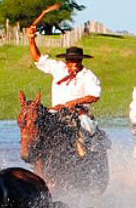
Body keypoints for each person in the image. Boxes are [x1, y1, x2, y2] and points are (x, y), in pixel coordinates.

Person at [26, 25, 107, 157]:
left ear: (81, 60)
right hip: (56, 111)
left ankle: (89, 156)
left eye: (77, 59)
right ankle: (34, 153)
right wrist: (31, 39)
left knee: (88, 129)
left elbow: (94, 96)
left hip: (78, 114)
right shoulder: (58, 68)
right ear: (66, 60)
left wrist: (74, 102)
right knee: (36, 124)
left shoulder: (88, 75)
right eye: (71, 60)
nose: (74, 62)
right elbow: (37, 58)